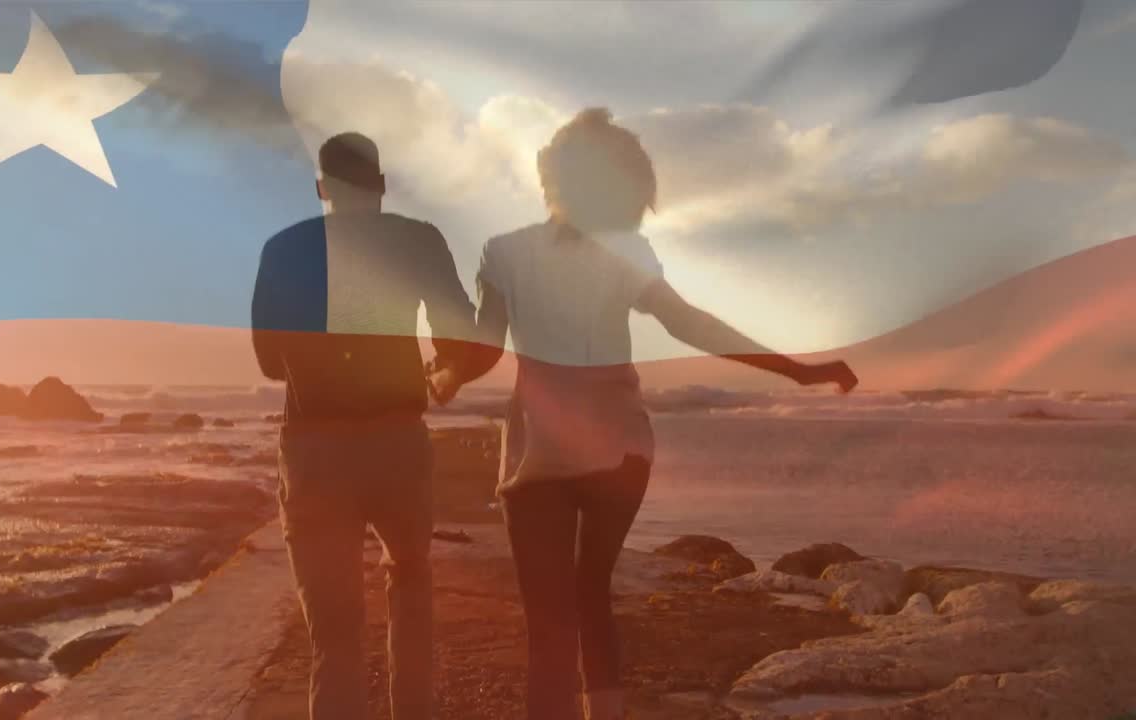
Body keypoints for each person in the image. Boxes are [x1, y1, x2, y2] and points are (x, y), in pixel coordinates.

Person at [428, 108, 858, 720]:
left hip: (547, 455)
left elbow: (485, 349)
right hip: (613, 451)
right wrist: (800, 371)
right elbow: (691, 324)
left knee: (552, 621)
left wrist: (445, 376)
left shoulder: (511, 253)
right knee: (588, 595)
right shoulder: (603, 253)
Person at [252, 132, 476, 720]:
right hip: (396, 442)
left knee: (334, 629)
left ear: (323, 189)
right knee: (409, 576)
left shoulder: (284, 249)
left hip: (314, 448)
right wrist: (445, 371)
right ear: (380, 185)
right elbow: (460, 332)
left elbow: (268, 361)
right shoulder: (417, 240)